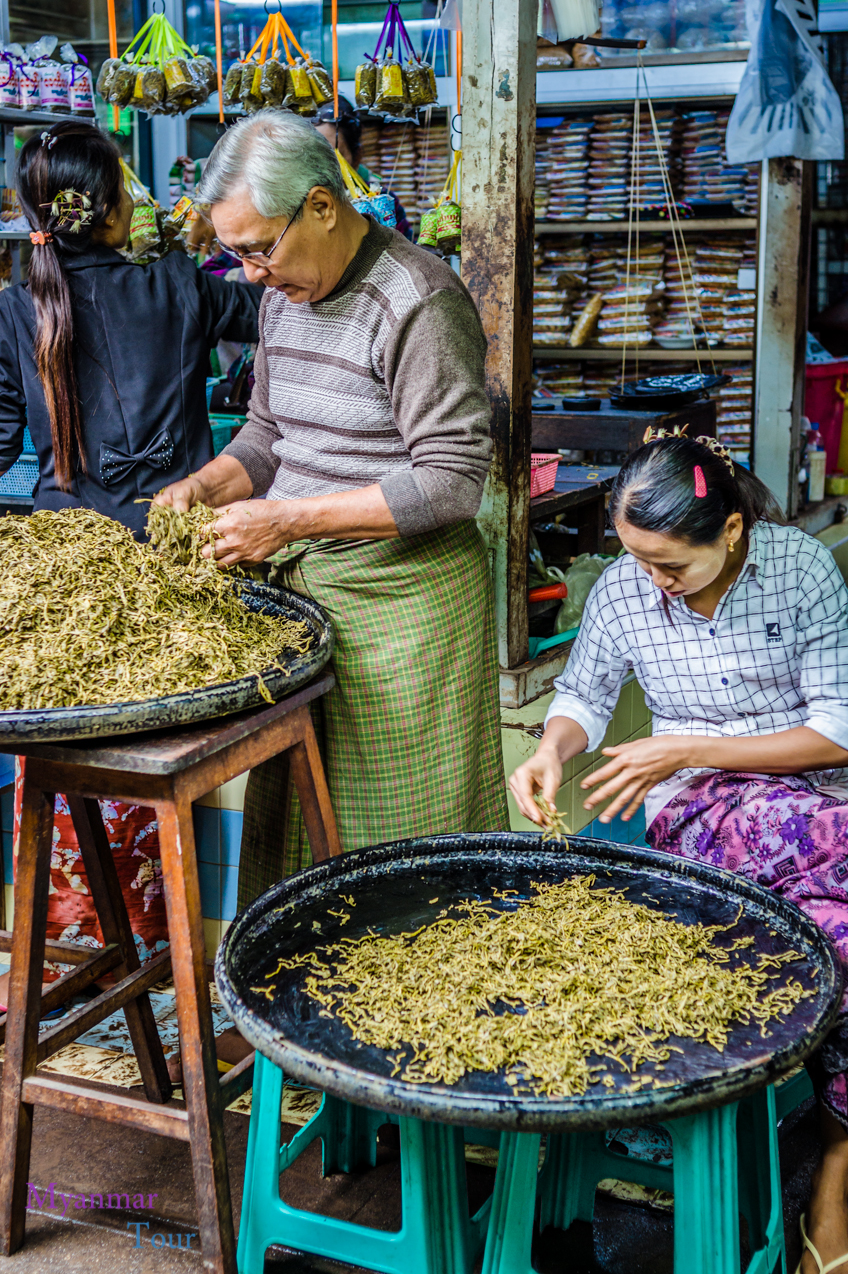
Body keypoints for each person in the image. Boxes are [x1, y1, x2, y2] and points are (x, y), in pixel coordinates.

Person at [509, 431, 848, 1274]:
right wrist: (552, 751)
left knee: (835, 928)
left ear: (731, 531)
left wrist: (683, 743)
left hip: (818, 799)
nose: (651, 581)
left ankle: (836, 1159)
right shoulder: (628, 586)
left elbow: (839, 731)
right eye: (638, 560)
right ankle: (837, 1168)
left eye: (672, 566)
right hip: (699, 808)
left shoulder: (800, 568)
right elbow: (584, 693)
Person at [154, 109, 508, 906]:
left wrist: (287, 522)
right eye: (233, 253)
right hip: (307, 603)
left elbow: (453, 481)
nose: (248, 273)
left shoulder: (417, 299)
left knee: (404, 846)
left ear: (321, 206)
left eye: (256, 248)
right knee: (305, 838)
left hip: (405, 615)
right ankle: (304, 1002)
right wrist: (205, 486)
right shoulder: (284, 294)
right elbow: (272, 433)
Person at [0, 122, 261, 1059]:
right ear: (110, 207)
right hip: (175, 559)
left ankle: (93, 946)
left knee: (73, 760)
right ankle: (180, 954)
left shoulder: (12, 305)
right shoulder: (178, 285)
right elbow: (281, 316)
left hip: (64, 557)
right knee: (163, 760)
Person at [312, 96, 414, 240]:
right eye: (313, 155)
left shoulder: (381, 204)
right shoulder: (290, 207)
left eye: (335, 156)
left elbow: (406, 256)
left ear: (357, 157)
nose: (322, 166)